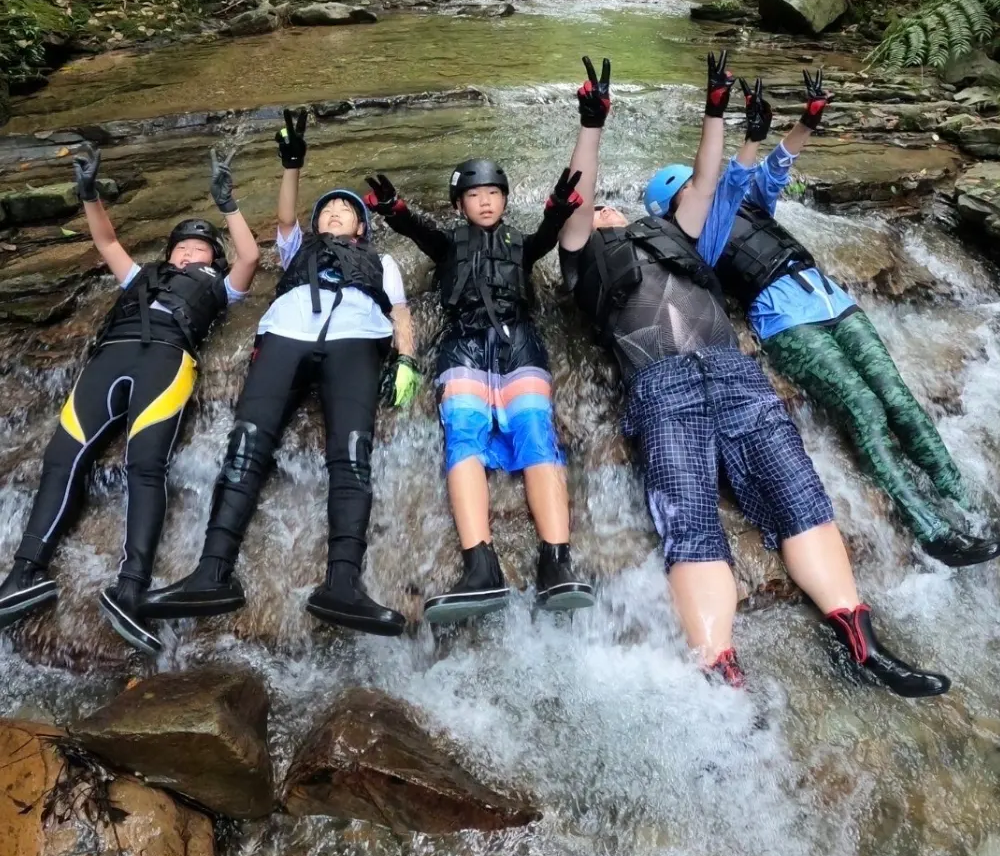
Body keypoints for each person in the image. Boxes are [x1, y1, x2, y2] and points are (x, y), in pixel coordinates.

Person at [559, 51, 950, 697]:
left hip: (734, 373)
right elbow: (578, 193)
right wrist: (591, 125)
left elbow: (705, 184)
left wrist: (716, 110)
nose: (603, 213)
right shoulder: (580, 258)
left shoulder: (673, 232)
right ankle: (720, 668)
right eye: (596, 212)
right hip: (661, 387)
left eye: (610, 209)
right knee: (690, 522)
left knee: (799, 495)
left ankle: (861, 637)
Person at [694, 72, 1000, 568]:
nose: (701, 189)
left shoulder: (753, 206)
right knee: (864, 408)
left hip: (835, 304)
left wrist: (807, 121)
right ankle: (931, 531)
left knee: (900, 402)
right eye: (691, 187)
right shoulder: (699, 239)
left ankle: (969, 507)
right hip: (786, 324)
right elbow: (729, 186)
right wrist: (747, 136)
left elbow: (774, 171)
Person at [143, 108, 418, 636]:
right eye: (327, 209)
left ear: (362, 226)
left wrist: (405, 358)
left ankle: (344, 583)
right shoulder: (297, 249)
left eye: (345, 210)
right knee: (247, 444)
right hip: (284, 338)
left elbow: (400, 312)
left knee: (352, 454)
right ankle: (212, 572)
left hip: (356, 341)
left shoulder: (381, 263)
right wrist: (292, 165)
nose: (334, 213)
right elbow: (287, 219)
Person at [0, 144, 259, 655]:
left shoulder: (222, 288)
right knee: (62, 457)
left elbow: (250, 256)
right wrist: (89, 192)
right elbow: (106, 240)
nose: (189, 253)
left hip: (166, 361)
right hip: (109, 361)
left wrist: (228, 204)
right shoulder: (141, 278)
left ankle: (132, 586)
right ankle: (26, 572)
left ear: (213, 259)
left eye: (200, 249)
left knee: (146, 466)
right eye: (181, 247)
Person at [363, 153, 594, 623]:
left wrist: (557, 208)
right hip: (463, 345)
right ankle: (480, 566)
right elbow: (418, 232)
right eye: (473, 195)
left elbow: (546, 237)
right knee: (463, 435)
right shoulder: (449, 244)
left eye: (493, 193)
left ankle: (556, 562)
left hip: (519, 344)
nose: (485, 201)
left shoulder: (519, 244)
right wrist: (393, 209)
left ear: (505, 201)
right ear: (459, 205)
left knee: (536, 431)